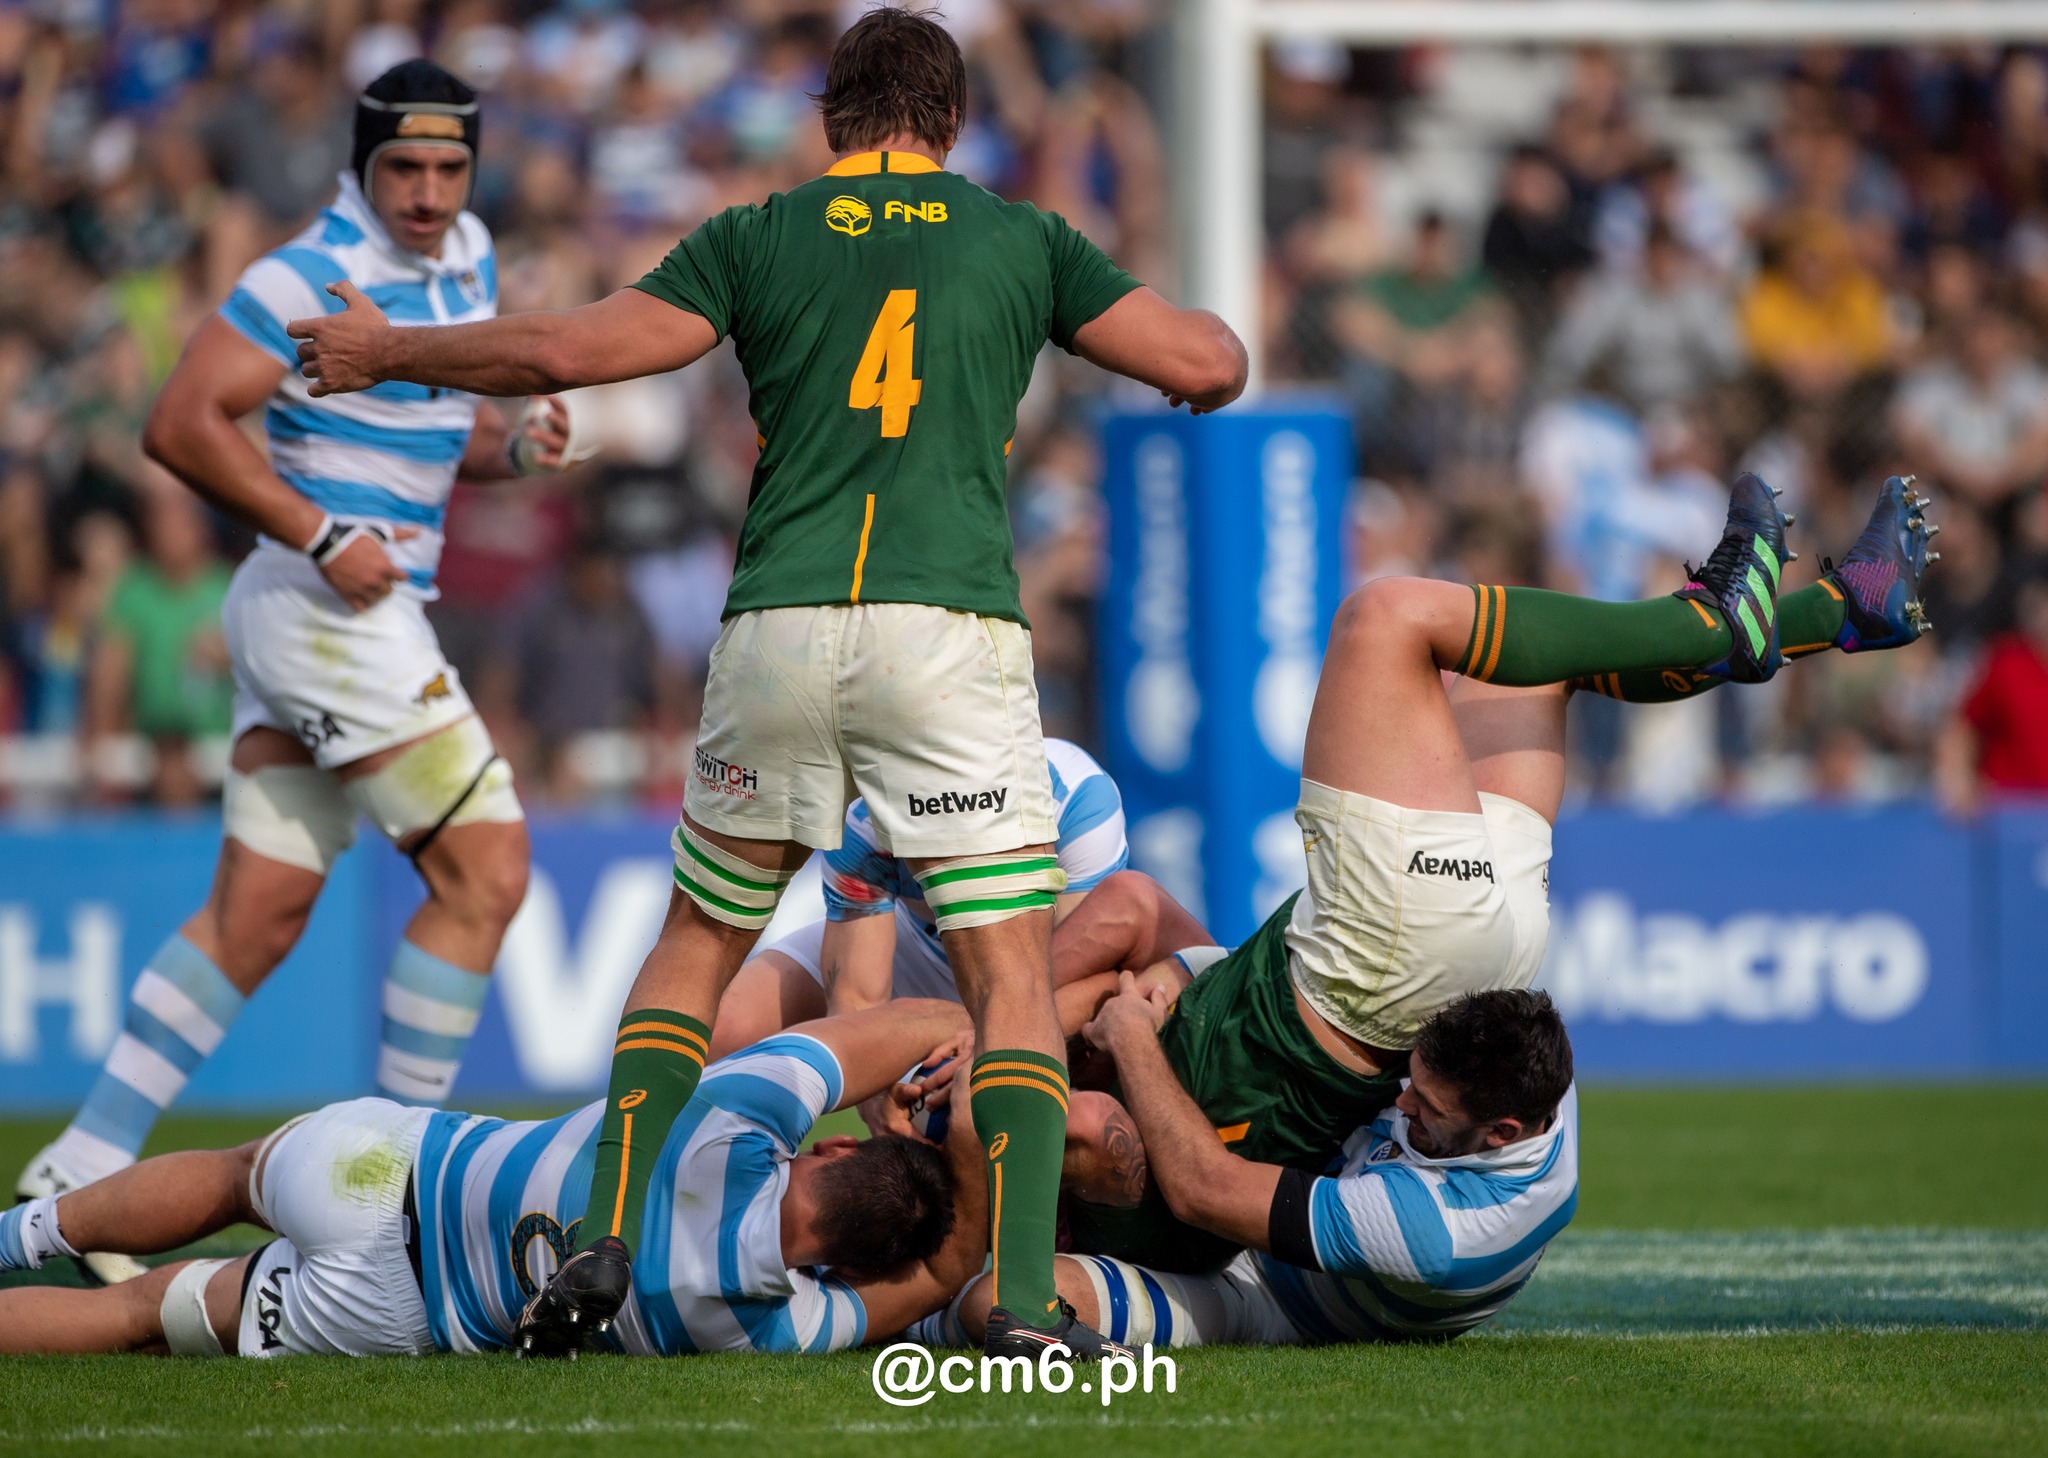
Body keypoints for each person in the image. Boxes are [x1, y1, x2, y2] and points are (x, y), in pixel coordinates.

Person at [288, 8, 1246, 1361]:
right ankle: (1022, 1294)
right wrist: (1204, 345)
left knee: (698, 937)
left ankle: (601, 1238)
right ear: (953, 122)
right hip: (948, 630)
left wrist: (387, 354)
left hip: (781, 623)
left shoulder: (757, 232)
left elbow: (568, 353)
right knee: (1011, 972)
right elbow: (1207, 363)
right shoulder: (1024, 238)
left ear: (831, 121)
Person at [1039, 474, 1937, 1274]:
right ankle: (1711, 620)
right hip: (1377, 966)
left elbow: (1132, 909)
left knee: (1534, 670)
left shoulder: (1153, 1065)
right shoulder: (1138, 1186)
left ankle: (1840, 613)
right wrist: (1055, 1025)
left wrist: (1093, 1008)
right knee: (1385, 619)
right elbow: (1185, 1178)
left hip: (1455, 970)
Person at [15, 60, 586, 1284]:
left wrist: (510, 444)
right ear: (361, 163)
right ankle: (397, 1189)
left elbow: (421, 440)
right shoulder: (300, 275)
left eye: (449, 169)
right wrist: (319, 532)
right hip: (330, 613)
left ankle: (74, 1166)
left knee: (254, 916)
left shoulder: (467, 252)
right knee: (488, 872)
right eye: (405, 169)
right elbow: (178, 422)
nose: (429, 194)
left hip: (329, 611)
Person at [0, 1000, 987, 1359]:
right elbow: (945, 1271)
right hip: (387, 1315)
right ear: (855, 1268)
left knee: (227, 1176)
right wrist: (971, 1193)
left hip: (393, 1170)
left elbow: (899, 1025)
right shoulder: (762, 1328)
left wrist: (983, 1051)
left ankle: (21, 1236)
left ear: (836, 1150)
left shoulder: (730, 1114)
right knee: (136, 1315)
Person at [928, 988, 1577, 1348]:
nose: (1401, 1101)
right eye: (1411, 1080)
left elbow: (1203, 1192)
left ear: (1500, 1135)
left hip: (1265, 1294)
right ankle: (972, 1043)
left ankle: (901, 1277)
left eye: (1426, 1106)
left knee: (987, 1303)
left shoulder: (1436, 1230)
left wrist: (1132, 1034)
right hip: (1281, 1168)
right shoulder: (1535, 1076)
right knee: (1136, 912)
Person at [707, 737, 1129, 1061]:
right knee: (721, 1027)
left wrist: (963, 1036)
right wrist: (882, 1114)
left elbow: (1069, 985)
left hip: (1035, 968)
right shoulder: (863, 823)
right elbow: (855, 1015)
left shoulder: (1077, 800)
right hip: (913, 944)